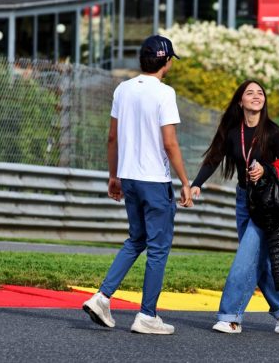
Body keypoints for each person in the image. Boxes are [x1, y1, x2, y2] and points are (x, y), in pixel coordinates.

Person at [82, 35, 193, 335]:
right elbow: (170, 143)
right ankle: (147, 315)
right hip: (155, 180)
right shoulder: (164, 93)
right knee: (158, 248)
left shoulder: (123, 89)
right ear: (166, 61)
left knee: (136, 240)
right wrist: (184, 182)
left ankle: (102, 297)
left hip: (128, 177)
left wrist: (114, 175)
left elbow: (112, 138)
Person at [190, 79, 279, 334]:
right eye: (250, 93)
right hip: (243, 200)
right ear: (241, 101)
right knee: (256, 263)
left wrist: (266, 168)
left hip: (266, 204)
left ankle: (231, 317)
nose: (256, 96)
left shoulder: (274, 133)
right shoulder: (232, 130)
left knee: (244, 260)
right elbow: (214, 157)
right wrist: (197, 184)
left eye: (260, 92)